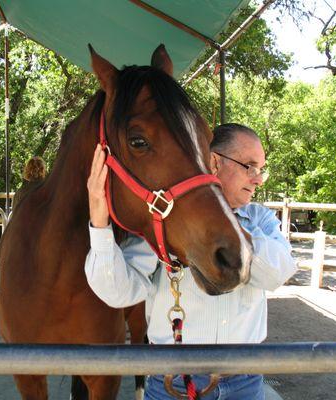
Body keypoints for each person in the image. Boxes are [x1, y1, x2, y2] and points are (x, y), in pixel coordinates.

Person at [85, 123, 297, 399]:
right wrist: (99, 224)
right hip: (173, 386)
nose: (257, 178)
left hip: (245, 383)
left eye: (261, 170)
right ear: (214, 162)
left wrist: (222, 223)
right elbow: (117, 292)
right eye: (250, 166)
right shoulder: (167, 223)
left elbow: (277, 274)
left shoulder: (259, 220)